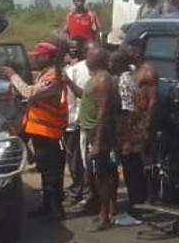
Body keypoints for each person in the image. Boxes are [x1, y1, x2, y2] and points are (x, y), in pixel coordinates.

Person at [0, 42, 72, 220]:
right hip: (42, 132)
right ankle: (47, 206)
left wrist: (12, 75)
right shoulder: (46, 74)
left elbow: (30, 92)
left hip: (50, 133)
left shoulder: (53, 77)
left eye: (37, 56)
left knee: (51, 174)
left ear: (46, 57)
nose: (33, 59)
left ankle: (56, 210)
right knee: (46, 172)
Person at [114, 43, 157, 225]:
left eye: (131, 50)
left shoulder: (147, 71)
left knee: (134, 168)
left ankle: (137, 210)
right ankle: (137, 205)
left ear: (138, 52)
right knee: (131, 167)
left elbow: (151, 102)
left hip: (136, 126)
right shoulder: (133, 71)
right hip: (131, 125)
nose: (127, 53)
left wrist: (145, 127)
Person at [79, 48, 117, 231]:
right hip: (91, 131)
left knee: (102, 175)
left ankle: (105, 217)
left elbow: (103, 112)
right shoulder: (94, 78)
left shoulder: (103, 80)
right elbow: (86, 97)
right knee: (98, 173)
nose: (86, 59)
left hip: (99, 132)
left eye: (89, 56)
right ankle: (106, 211)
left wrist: (97, 142)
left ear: (98, 59)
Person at [63, 39, 93, 210]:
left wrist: (71, 122)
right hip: (81, 121)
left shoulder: (75, 70)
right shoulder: (76, 69)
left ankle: (83, 192)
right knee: (80, 159)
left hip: (82, 122)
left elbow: (73, 98)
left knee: (81, 160)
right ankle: (81, 191)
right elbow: (71, 98)